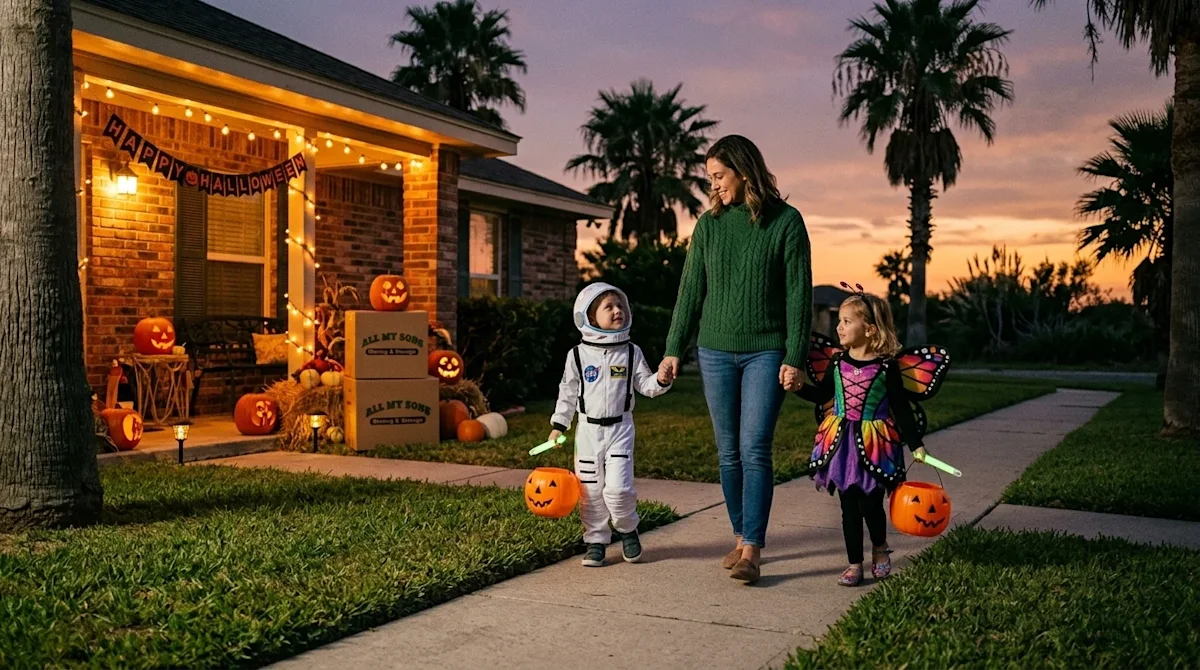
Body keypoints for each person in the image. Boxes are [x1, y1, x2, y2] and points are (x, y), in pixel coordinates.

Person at [659, 135, 812, 583]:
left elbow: (799, 295)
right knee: (728, 452)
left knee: (754, 447)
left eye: (720, 176)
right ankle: (740, 534)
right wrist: (673, 350)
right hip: (715, 351)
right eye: (711, 178)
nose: (715, 186)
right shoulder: (709, 226)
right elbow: (690, 293)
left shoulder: (786, 222)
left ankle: (753, 549)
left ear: (745, 172)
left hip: (767, 350)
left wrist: (795, 355)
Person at [793, 291, 931, 586]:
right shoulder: (838, 363)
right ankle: (854, 563)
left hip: (874, 442)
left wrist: (915, 443)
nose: (838, 327)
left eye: (846, 321)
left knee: (870, 504)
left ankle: (880, 549)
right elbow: (822, 395)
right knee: (848, 506)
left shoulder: (886, 367)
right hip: (841, 441)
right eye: (839, 321)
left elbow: (901, 408)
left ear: (869, 329)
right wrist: (798, 387)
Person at [550, 282, 672, 567]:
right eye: (609, 307)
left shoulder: (630, 352)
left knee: (619, 489)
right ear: (590, 317)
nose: (618, 311)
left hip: (620, 429)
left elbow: (646, 385)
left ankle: (628, 529)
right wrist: (560, 424)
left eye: (620, 306)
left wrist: (662, 379)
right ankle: (596, 541)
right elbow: (567, 392)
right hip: (588, 431)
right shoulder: (578, 356)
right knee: (590, 490)